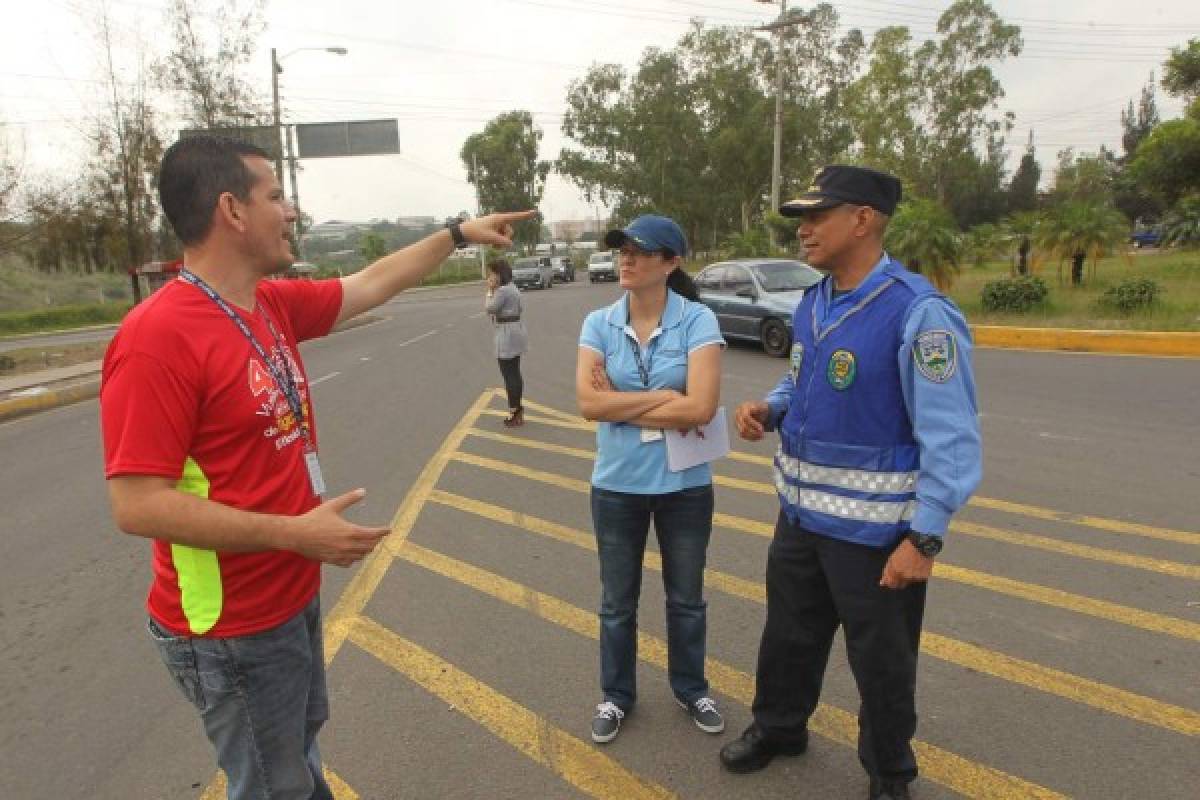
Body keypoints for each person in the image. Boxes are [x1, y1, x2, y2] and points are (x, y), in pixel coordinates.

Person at [100, 134, 533, 800]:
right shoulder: (156, 337)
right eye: (275, 195)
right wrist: (293, 534)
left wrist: (457, 233)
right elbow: (138, 504)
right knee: (272, 785)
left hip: (288, 596)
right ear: (232, 211)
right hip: (231, 627)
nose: (292, 211)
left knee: (297, 759)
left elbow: (369, 283)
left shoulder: (267, 305)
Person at [717, 166, 982, 800]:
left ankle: (889, 770)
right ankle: (780, 727)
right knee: (788, 636)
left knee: (883, 662)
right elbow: (801, 379)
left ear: (862, 218)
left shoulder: (920, 314)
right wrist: (772, 408)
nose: (803, 229)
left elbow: (952, 439)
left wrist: (926, 539)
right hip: (801, 518)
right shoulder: (813, 301)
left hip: (875, 534)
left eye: (816, 215)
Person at [575, 214, 726, 744]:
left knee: (687, 599)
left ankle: (691, 688)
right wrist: (669, 400)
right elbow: (588, 402)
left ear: (671, 262)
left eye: (640, 250)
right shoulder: (598, 322)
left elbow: (703, 407)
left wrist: (622, 404)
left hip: (685, 487)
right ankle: (616, 696)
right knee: (616, 603)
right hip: (616, 486)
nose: (627, 258)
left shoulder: (698, 321)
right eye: (622, 249)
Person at [484, 258, 527, 426]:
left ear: (499, 274)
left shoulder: (501, 291)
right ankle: (518, 410)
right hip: (517, 329)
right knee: (515, 372)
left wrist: (489, 291)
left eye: (492, 273)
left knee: (509, 374)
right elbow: (521, 308)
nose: (490, 277)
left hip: (506, 333)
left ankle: (514, 412)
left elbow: (490, 308)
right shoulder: (513, 288)